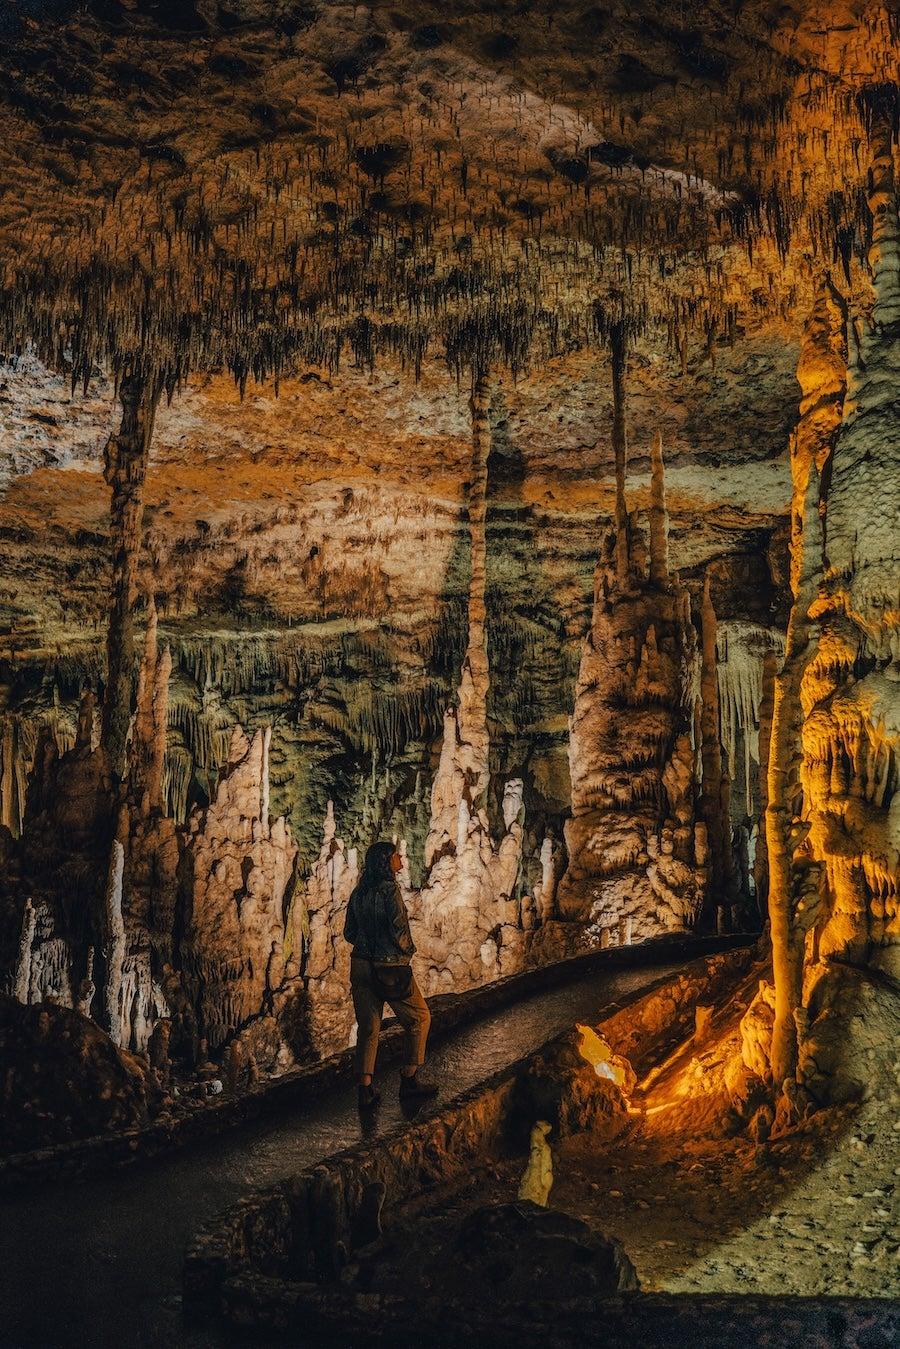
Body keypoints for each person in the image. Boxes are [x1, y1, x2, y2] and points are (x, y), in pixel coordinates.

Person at [344, 841, 438, 1110]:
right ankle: (409, 1079)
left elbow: (349, 932)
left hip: (360, 965)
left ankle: (365, 1090)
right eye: (396, 856)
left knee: (369, 1027)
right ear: (386, 861)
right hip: (389, 967)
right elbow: (399, 931)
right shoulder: (390, 892)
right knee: (419, 1017)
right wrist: (407, 952)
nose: (401, 859)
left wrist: (367, 946)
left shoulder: (358, 893)